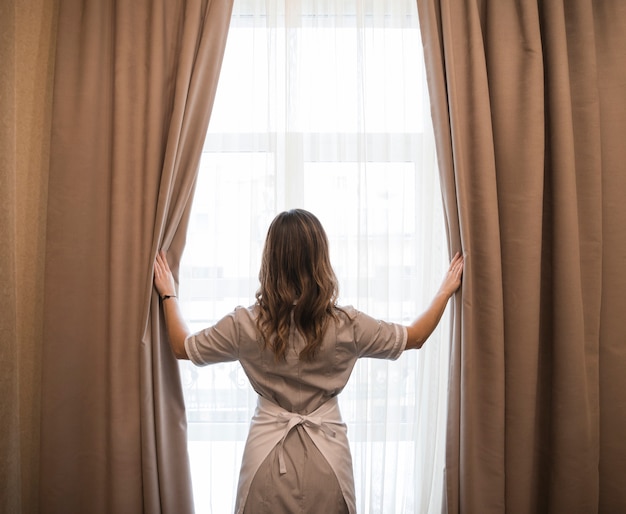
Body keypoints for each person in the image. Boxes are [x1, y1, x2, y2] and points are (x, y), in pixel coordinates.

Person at [153, 208, 464, 514]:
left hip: (266, 459)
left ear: (270, 261)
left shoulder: (244, 324)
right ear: (320, 261)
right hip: (328, 458)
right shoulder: (348, 325)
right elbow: (415, 337)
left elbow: (183, 347)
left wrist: (169, 295)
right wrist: (445, 290)